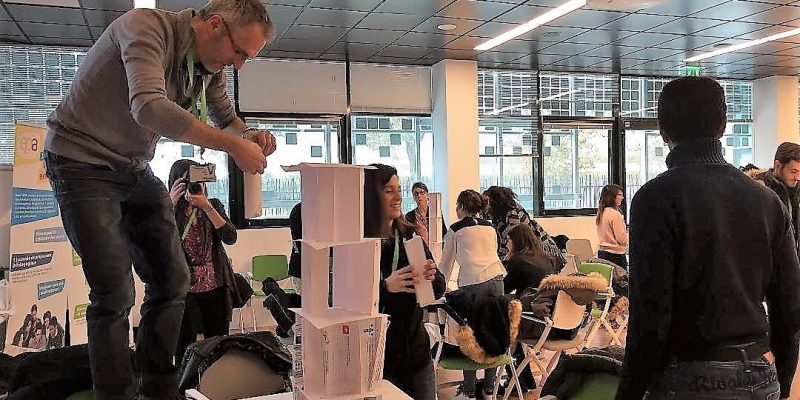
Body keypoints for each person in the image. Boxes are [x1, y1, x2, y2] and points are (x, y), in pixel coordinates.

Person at [42, 1, 277, 398]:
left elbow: (225, 116)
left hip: (132, 167)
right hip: (79, 161)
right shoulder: (145, 26)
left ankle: (158, 386)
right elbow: (149, 107)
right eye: (239, 52)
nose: (238, 64)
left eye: (247, 59)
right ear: (214, 25)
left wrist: (248, 134)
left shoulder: (208, 66)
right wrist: (233, 146)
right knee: (114, 292)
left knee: (174, 279)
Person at [617, 76, 800, 400]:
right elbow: (789, 304)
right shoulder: (767, 201)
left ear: (662, 128)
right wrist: (782, 382)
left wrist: (629, 393)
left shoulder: (655, 199)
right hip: (759, 373)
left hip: (688, 376)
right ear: (723, 125)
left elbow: (650, 317)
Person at [365, 164, 445, 400]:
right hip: (377, 358)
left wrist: (432, 277)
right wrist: (385, 287)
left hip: (416, 353)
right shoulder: (358, 243)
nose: (398, 197)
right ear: (371, 196)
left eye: (399, 189)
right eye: (389, 190)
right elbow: (343, 300)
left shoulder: (410, 235)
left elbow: (437, 289)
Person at [438, 189, 506, 399]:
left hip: (473, 283)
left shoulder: (455, 229)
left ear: (461, 207)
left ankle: (468, 391)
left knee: (470, 337)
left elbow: (445, 265)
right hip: (497, 279)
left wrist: (437, 288)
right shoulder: (490, 227)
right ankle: (489, 388)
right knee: (493, 332)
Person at [168, 159, 238, 361]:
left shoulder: (213, 205)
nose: (194, 186)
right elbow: (156, 241)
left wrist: (206, 206)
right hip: (184, 290)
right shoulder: (170, 210)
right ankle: (186, 380)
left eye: (198, 181)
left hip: (215, 286)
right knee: (184, 347)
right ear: (176, 183)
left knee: (217, 346)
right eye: (188, 181)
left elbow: (230, 237)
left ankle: (215, 379)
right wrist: (169, 205)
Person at [483, 186, 565, 268]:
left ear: (496, 203)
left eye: (487, 204)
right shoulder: (501, 216)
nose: (486, 208)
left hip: (544, 255)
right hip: (533, 253)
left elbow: (515, 246)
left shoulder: (512, 216)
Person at [755, 142, 800, 251]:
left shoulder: (797, 189)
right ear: (778, 166)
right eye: (793, 171)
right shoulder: (758, 191)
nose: (798, 177)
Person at [503, 224, 558, 297]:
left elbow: (505, 288)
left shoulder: (517, 261)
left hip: (528, 300)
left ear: (516, 240)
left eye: (508, 239)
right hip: (546, 299)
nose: (506, 244)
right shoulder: (547, 258)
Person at [595, 184, 628, 269]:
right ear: (612, 197)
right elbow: (621, 239)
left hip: (602, 254)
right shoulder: (615, 214)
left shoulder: (602, 212)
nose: (622, 197)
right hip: (615, 256)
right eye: (620, 195)